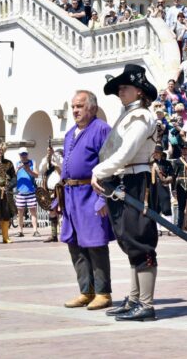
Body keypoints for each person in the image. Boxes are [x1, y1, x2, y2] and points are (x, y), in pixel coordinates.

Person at [91, 64, 158, 321]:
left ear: (139, 91)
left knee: (141, 241)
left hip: (137, 179)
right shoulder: (128, 115)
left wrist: (100, 170)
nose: (121, 92)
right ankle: (134, 298)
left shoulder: (141, 116)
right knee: (130, 242)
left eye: (125, 87)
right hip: (124, 179)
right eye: (119, 88)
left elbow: (127, 152)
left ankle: (146, 303)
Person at [58, 90, 113, 311]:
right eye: (73, 107)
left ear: (92, 107)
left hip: (90, 194)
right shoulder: (70, 133)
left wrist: (103, 198)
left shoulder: (101, 130)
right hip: (71, 196)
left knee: (95, 244)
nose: (75, 111)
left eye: (79, 106)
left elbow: (110, 164)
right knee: (75, 245)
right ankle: (86, 291)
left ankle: (103, 292)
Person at [39, 147, 63, 243]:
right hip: (51, 192)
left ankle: (64, 234)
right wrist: (48, 156)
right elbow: (41, 169)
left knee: (62, 213)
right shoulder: (49, 167)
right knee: (52, 213)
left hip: (61, 192)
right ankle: (54, 235)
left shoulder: (62, 165)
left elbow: (61, 164)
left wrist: (55, 157)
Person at [149, 146, 174, 237]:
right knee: (155, 208)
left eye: (156, 152)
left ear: (160, 154)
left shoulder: (167, 163)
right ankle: (157, 229)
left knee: (166, 207)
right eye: (154, 152)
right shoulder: (150, 164)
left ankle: (170, 228)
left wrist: (167, 179)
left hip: (163, 186)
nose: (155, 154)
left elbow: (172, 175)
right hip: (153, 187)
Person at [15, 147, 40, 237]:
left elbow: (37, 175)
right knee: (20, 212)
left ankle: (35, 230)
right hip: (20, 191)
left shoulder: (32, 162)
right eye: (22, 154)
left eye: (25, 154)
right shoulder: (17, 163)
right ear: (19, 155)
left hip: (31, 191)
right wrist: (18, 169)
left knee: (33, 211)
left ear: (27, 154)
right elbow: (13, 176)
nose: (24, 156)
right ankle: (20, 231)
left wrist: (28, 170)